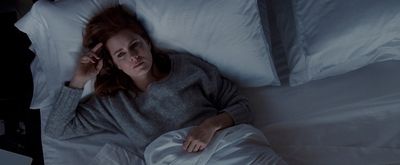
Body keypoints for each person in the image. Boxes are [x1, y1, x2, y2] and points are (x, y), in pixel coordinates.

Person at [44, 5, 252, 158]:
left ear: (147, 43)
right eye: (120, 54)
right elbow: (57, 130)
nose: (133, 56)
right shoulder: (112, 103)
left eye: (135, 45)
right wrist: (79, 80)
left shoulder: (188, 68)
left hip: (228, 149)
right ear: (114, 63)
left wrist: (210, 125)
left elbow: (242, 107)